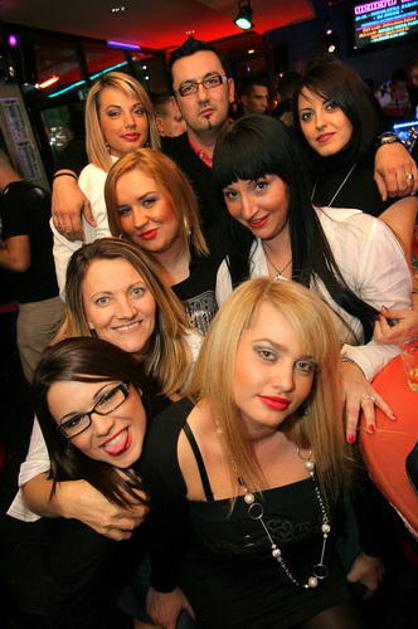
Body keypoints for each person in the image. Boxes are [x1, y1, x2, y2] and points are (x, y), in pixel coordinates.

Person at [144, 278, 382, 628]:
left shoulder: (324, 417)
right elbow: (165, 531)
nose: (286, 382)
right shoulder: (174, 442)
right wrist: (163, 586)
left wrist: (373, 552)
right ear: (226, 347)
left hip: (312, 571)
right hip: (227, 585)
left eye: (304, 364)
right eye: (267, 354)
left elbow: (364, 488)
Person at [50, 40, 416, 247]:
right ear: (176, 103)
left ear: (229, 89)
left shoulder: (269, 139)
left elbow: (334, 139)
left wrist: (386, 142)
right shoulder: (164, 161)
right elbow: (105, 142)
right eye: (188, 88)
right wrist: (64, 176)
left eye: (211, 81)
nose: (202, 96)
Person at [213, 114, 412, 443]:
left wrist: (354, 364)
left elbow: (403, 340)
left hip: (361, 425)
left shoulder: (360, 239)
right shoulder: (232, 274)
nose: (247, 209)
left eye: (260, 186)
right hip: (281, 437)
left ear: (289, 176)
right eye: (232, 194)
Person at [8, 238, 200, 532]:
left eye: (137, 291)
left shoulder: (190, 351)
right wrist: (71, 499)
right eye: (103, 300)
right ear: (85, 315)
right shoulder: (69, 372)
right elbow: (31, 484)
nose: (126, 311)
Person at [294, 57, 418, 344]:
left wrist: (387, 141)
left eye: (331, 106)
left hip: (371, 337)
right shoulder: (303, 177)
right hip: (309, 330)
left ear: (353, 104)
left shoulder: (385, 174)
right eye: (307, 115)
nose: (319, 123)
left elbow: (395, 282)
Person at [32, 336, 152, 627]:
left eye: (107, 397)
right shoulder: (98, 519)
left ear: (136, 384)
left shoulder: (176, 432)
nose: (102, 427)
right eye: (74, 421)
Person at [52, 71, 160, 295]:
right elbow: (68, 269)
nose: (130, 122)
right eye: (114, 114)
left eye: (138, 111)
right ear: (98, 125)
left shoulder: (164, 168)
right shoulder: (93, 180)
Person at [105, 148, 218, 334]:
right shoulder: (118, 283)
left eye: (148, 202)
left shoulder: (224, 252)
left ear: (178, 195)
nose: (139, 221)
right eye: (124, 211)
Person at [0, 150, 64, 381]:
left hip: (40, 305)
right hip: (58, 294)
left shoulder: (10, 200)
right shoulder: (36, 192)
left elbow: (18, 260)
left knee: (42, 380)